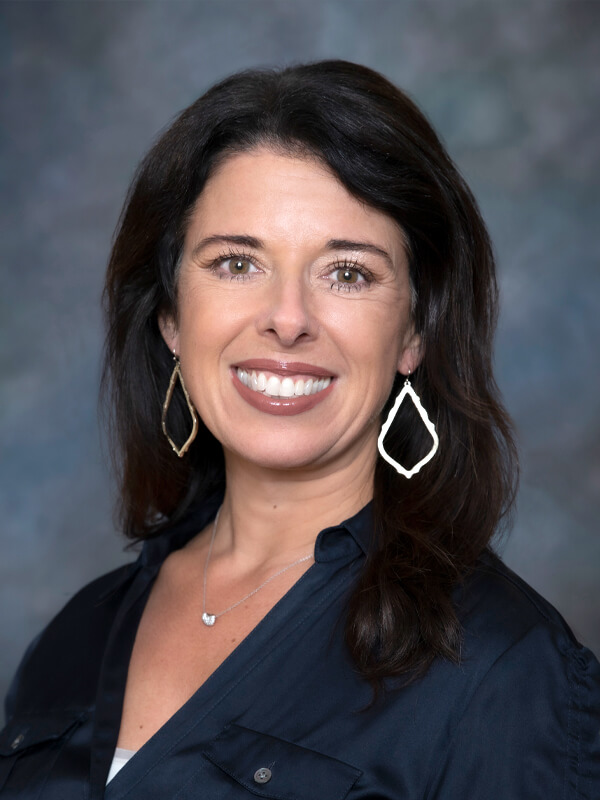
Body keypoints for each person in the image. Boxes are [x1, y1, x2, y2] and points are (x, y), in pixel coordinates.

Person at [1, 60, 598, 799]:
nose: (287, 318)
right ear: (170, 318)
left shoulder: (503, 668)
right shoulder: (77, 636)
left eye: (346, 273)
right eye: (236, 263)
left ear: (413, 331)